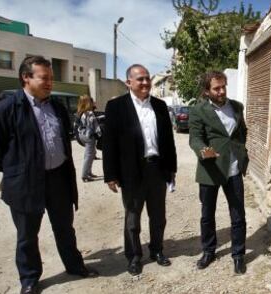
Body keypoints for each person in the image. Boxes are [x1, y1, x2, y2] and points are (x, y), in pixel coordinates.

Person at [0, 56, 96, 294]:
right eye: (44, 78)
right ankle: (30, 279)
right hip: (26, 183)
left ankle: (74, 266)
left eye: (51, 78)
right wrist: (17, 169)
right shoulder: (6, 109)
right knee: (27, 235)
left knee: (65, 228)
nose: (49, 83)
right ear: (26, 77)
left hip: (58, 179)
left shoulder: (56, 108)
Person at [103, 64, 177, 276]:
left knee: (158, 216)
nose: (145, 83)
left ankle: (157, 250)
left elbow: (169, 141)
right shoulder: (116, 107)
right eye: (140, 79)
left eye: (147, 78)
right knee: (133, 217)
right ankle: (134, 256)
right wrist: (111, 174)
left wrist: (171, 168)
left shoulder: (160, 106)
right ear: (129, 82)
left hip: (156, 168)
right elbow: (109, 144)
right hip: (131, 171)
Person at [188, 71, 249, 274]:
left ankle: (239, 255)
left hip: (233, 170)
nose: (222, 91)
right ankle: (208, 251)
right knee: (207, 214)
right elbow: (195, 138)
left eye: (223, 86)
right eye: (216, 88)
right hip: (210, 169)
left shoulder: (237, 107)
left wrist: (242, 150)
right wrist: (203, 150)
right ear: (207, 91)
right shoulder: (198, 110)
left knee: (238, 214)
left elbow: (242, 131)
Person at [76, 95, 101, 182]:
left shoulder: (81, 112)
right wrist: (99, 133)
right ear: (88, 103)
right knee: (89, 156)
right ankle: (85, 175)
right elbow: (92, 126)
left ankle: (89, 172)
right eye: (91, 101)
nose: (93, 102)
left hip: (81, 135)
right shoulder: (89, 113)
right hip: (88, 136)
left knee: (89, 154)